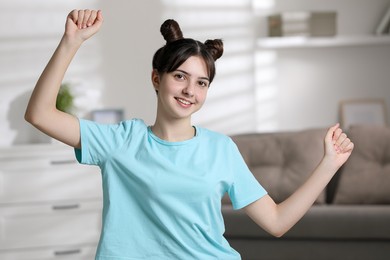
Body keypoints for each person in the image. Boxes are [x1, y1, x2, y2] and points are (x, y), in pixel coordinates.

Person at [25, 9, 354, 260]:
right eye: (180, 76)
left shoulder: (220, 149)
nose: (189, 91)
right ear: (157, 78)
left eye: (201, 82)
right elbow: (40, 114)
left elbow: (277, 222)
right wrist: (71, 42)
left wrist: (329, 163)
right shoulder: (120, 142)